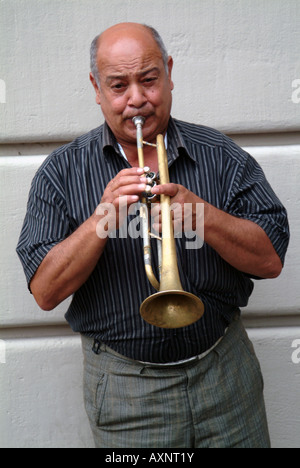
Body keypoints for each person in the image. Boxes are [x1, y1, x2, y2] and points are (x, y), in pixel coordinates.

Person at [16, 22, 289, 448]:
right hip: (126, 388)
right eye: (118, 85)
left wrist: (203, 216)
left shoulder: (222, 156)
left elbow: (271, 260)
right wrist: (102, 218)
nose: (137, 99)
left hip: (225, 373)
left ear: (169, 72)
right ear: (96, 88)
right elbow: (46, 292)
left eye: (148, 80)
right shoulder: (61, 172)